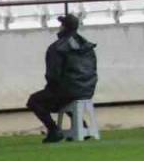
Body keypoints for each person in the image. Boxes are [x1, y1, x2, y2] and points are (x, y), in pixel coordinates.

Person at [26, 14, 98, 143]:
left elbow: (52, 75)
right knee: (65, 96)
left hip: (68, 90)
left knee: (34, 101)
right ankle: (81, 126)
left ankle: (54, 130)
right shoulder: (87, 47)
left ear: (64, 27)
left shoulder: (57, 48)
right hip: (87, 89)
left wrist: (50, 88)